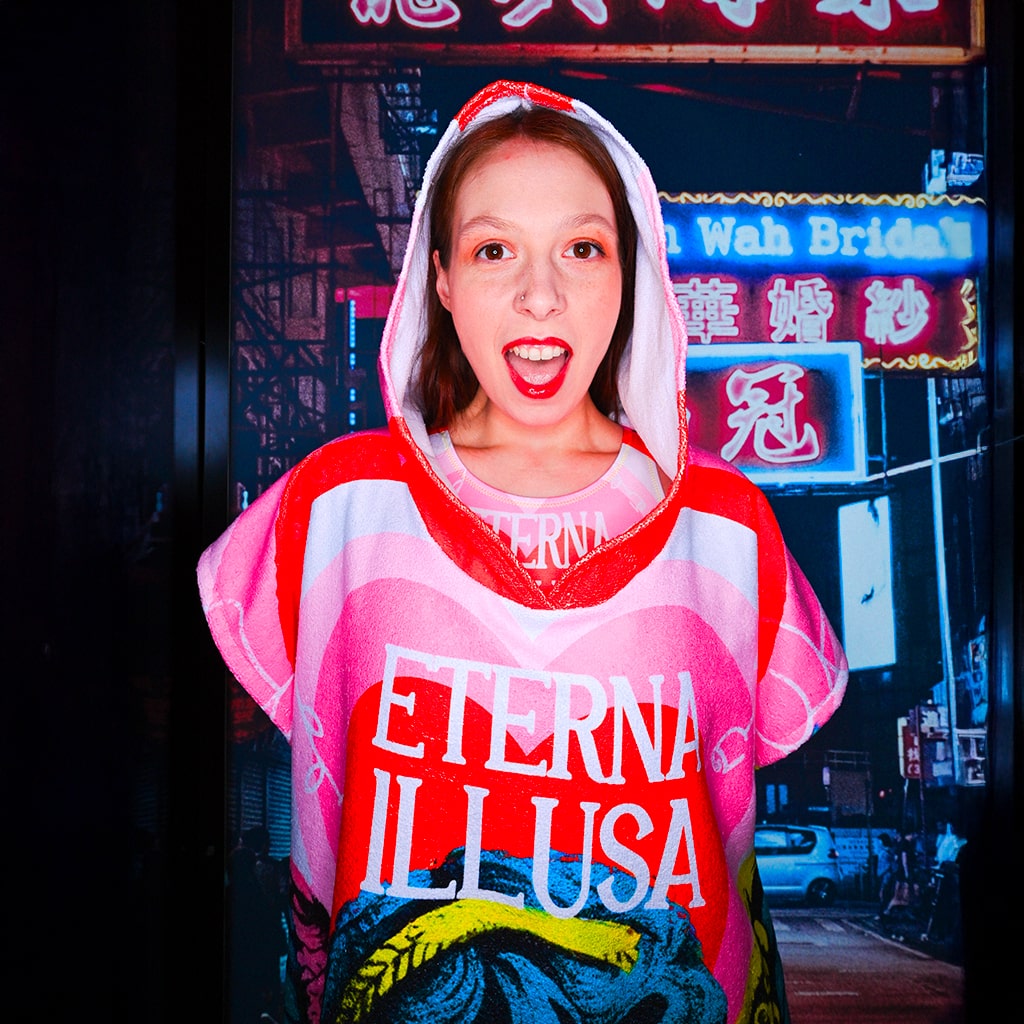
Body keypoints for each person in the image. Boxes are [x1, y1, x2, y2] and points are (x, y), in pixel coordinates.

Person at [198, 80, 849, 1024]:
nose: (540, 296)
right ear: (441, 279)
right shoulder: (335, 505)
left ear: (631, 274)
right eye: (493, 249)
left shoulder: (726, 525)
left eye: (582, 249)